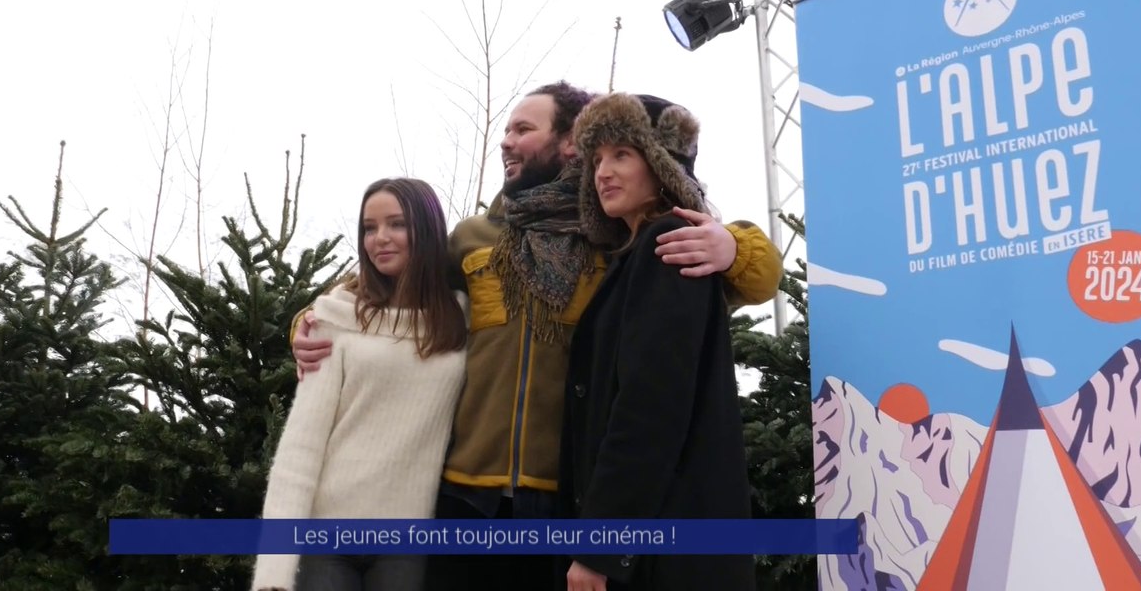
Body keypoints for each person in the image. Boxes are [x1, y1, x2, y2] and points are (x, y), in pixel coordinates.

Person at [292, 81, 782, 591]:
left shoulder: (615, 234)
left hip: (567, 499)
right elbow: (381, 286)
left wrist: (732, 245)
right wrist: (308, 324)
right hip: (465, 497)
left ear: (570, 141)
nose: (506, 141)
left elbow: (758, 279)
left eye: (524, 129)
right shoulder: (472, 238)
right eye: (505, 129)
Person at [559, 92, 755, 591]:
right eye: (597, 158)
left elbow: (650, 406)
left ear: (661, 161)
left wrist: (601, 544)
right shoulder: (638, 252)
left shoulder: (669, 243)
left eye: (621, 154)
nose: (602, 171)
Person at [252, 178, 469, 591]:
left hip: (409, 540)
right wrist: (272, 577)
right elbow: (300, 450)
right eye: (369, 228)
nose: (380, 239)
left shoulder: (461, 320)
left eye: (396, 224)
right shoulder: (338, 319)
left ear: (425, 230)